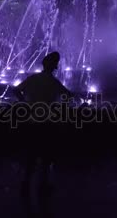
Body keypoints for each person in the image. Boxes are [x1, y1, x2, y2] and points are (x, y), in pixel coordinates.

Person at [13, 51, 72, 197]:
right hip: (48, 123)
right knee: (46, 155)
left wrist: (25, 102)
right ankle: (43, 184)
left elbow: (16, 90)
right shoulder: (53, 82)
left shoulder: (33, 78)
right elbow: (68, 96)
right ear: (54, 67)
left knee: (31, 154)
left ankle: (26, 182)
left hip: (32, 122)